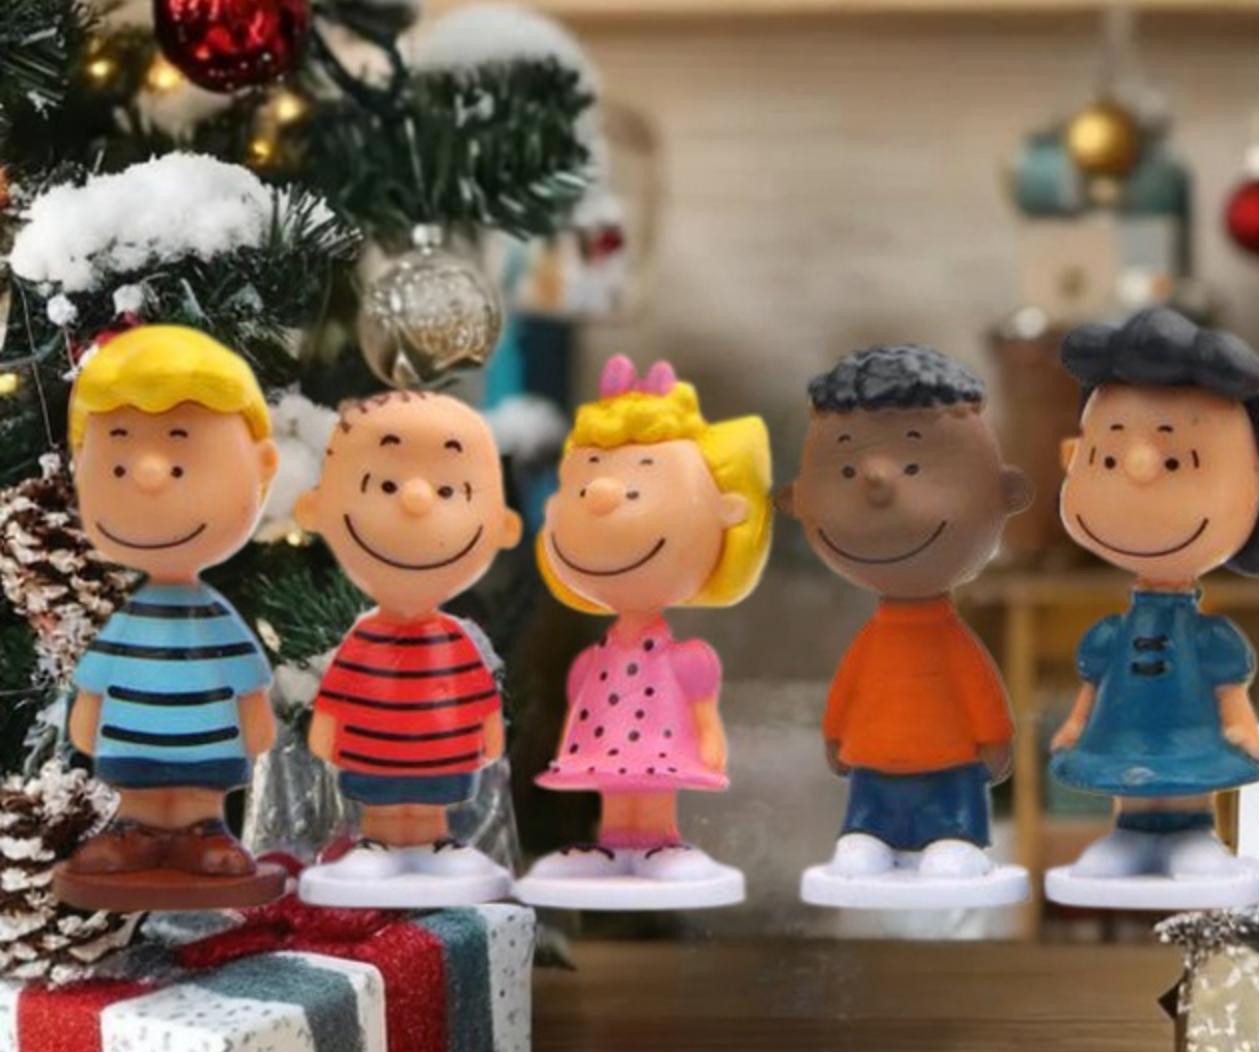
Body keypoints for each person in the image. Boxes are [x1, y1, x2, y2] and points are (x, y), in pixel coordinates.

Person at [1049, 307, 1259, 905]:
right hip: (1121, 728)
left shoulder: (1208, 640)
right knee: (1125, 769)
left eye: (1177, 462)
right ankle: (1130, 832)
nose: (1138, 470)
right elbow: (1092, 684)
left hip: (1193, 734)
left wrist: (1240, 726)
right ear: (1073, 457)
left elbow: (1229, 688)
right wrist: (1076, 724)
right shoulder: (1110, 636)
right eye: (1106, 459)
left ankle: (1192, 831)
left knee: (1190, 772)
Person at [518, 355, 772, 906]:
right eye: (583, 483)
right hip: (602, 748)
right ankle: (614, 843)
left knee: (651, 793)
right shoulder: (590, 661)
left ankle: (659, 842)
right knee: (616, 791)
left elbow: (701, 707)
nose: (603, 496)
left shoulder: (686, 660)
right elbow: (576, 708)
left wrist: (710, 739)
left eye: (636, 490)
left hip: (664, 748)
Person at [782, 344, 1033, 894]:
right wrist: (834, 734)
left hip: (950, 771)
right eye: (846, 469)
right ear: (796, 500)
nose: (877, 483)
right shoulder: (872, 641)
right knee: (862, 842)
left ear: (1006, 492)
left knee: (951, 840)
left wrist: (994, 739)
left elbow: (979, 688)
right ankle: (869, 835)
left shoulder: (951, 641)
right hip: (873, 770)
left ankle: (956, 837)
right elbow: (848, 689)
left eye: (915, 467)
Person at [57, 325, 284, 910]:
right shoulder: (128, 621)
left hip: (207, 752)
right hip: (129, 749)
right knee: (136, 789)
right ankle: (133, 830)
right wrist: (88, 716)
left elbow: (247, 681)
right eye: (116, 465)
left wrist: (255, 721)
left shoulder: (215, 618)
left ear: (262, 466)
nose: (150, 474)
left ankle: (202, 832)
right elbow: (95, 682)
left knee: (197, 793)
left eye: (183, 462)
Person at [294, 389, 522, 906]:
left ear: (502, 526)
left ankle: (434, 841)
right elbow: (337, 693)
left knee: (429, 802)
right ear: (317, 509)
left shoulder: (454, 641)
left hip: (443, 759)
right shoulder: (364, 639)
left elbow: (479, 694)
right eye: (385, 485)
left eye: (450, 490)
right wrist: (326, 730)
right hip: (372, 759)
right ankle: (378, 842)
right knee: (382, 800)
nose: (416, 499)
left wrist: (489, 733)